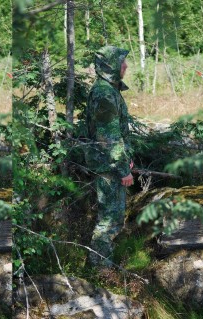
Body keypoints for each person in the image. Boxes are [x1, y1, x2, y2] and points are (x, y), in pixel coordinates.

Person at [84, 45, 134, 266]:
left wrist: (127, 157)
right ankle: (101, 269)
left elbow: (116, 135)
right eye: (121, 62)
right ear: (111, 66)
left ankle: (102, 264)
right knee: (109, 221)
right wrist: (123, 169)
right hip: (110, 168)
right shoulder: (104, 93)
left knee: (113, 219)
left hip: (112, 164)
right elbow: (109, 138)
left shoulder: (109, 90)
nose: (126, 65)